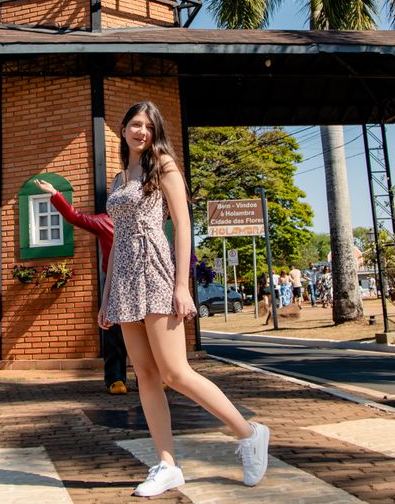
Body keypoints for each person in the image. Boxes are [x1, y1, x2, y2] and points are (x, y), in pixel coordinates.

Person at [101, 101, 269, 496]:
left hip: (156, 271)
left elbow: (182, 228)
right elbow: (115, 239)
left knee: (175, 372)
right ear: (123, 129)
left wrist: (182, 285)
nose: (140, 131)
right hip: (123, 278)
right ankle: (167, 464)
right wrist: (106, 295)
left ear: (154, 130)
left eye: (147, 125)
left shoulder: (165, 168)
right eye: (134, 124)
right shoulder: (118, 178)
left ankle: (249, 433)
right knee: (144, 374)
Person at [33, 178, 129, 395]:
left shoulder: (142, 219)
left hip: (140, 280)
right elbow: (74, 216)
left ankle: (154, 375)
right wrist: (54, 193)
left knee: (147, 329)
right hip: (113, 282)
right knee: (113, 330)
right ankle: (115, 378)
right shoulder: (105, 221)